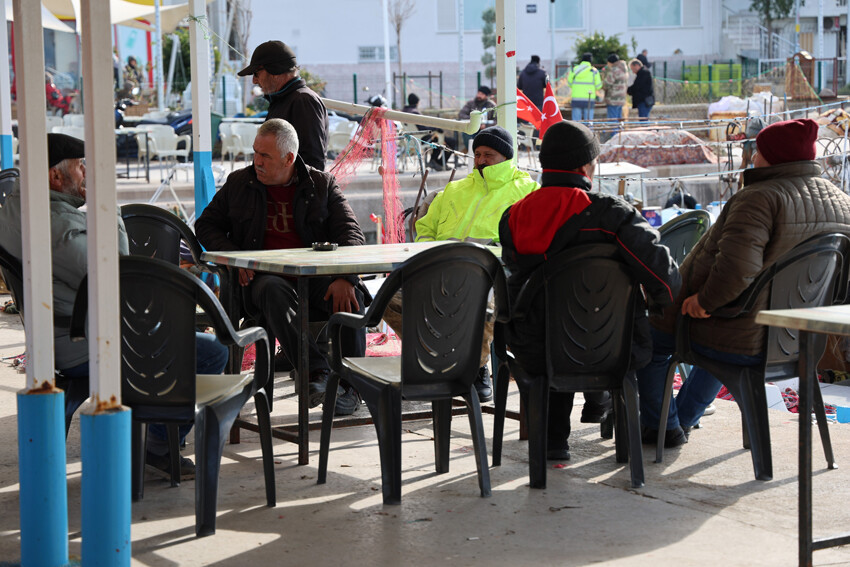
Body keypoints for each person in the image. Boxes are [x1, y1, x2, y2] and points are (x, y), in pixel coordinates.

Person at [0, 133, 228, 478]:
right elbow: (119, 271)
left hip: (60, 331)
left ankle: (154, 435)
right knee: (213, 351)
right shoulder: (57, 226)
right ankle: (159, 445)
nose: (87, 174)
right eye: (81, 167)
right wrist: (109, 212)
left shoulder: (16, 207)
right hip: (81, 341)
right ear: (54, 177)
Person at [637, 118, 850, 448]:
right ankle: (680, 419)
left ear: (772, 156)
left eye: (758, 151)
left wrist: (704, 301)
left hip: (742, 332)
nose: (752, 158)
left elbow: (736, 269)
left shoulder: (759, 198)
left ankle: (661, 426)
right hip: (798, 341)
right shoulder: (842, 202)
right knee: (720, 336)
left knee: (648, 341)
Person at [499, 120, 680, 460]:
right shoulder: (612, 214)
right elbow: (664, 276)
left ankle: (553, 443)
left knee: (551, 320)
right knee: (603, 324)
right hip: (612, 347)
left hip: (536, 348)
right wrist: (657, 306)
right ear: (585, 166)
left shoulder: (513, 216)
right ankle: (634, 430)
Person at [195, 118, 367, 416]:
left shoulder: (320, 184)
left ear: (289, 159)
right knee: (273, 289)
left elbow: (352, 233)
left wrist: (345, 276)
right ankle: (316, 372)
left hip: (312, 280)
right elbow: (206, 225)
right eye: (255, 153)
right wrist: (237, 258)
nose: (256, 162)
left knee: (352, 297)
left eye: (265, 156)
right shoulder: (240, 183)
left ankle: (350, 388)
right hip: (259, 281)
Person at [383, 126, 539, 402]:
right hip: (439, 271)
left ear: (506, 157)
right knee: (387, 299)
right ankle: (443, 359)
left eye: (488, 155)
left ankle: (475, 367)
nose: (480, 160)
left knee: (476, 299)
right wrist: (431, 251)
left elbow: (529, 242)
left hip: (493, 275)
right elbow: (425, 229)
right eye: (477, 154)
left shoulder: (527, 191)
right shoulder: (453, 190)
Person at [238, 40, 329, 171]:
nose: (254, 80)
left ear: (275, 71)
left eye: (256, 73)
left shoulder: (303, 101)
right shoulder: (283, 100)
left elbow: (313, 162)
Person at [458, 85, 497, 150]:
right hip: (472, 128)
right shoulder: (471, 103)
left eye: (482, 94)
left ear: (486, 96)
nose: (479, 95)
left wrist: (486, 126)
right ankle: (470, 150)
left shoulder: (491, 105)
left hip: (486, 129)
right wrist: (474, 120)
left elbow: (496, 119)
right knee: (466, 133)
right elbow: (461, 114)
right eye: (478, 93)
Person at [567, 53, 602, 122]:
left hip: (576, 99)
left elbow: (569, 84)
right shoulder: (594, 71)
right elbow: (599, 86)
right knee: (588, 123)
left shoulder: (574, 69)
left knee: (576, 123)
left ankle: (576, 133)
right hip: (589, 100)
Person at [602, 54, 628, 122]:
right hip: (621, 99)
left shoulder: (614, 70)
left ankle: (614, 133)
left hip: (613, 99)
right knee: (619, 119)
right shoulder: (624, 69)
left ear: (610, 62)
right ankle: (618, 132)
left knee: (612, 121)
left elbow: (607, 84)